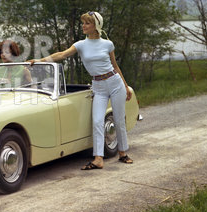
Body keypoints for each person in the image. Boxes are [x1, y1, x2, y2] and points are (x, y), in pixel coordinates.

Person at [29, 12, 133, 170]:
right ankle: (98, 158)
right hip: (98, 86)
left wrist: (125, 86)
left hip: (114, 82)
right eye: (83, 23)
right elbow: (62, 54)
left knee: (119, 119)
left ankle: (122, 153)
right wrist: (39, 61)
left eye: (87, 23)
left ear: (96, 26)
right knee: (97, 121)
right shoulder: (80, 45)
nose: (83, 26)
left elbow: (116, 66)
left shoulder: (108, 44)